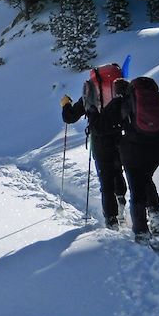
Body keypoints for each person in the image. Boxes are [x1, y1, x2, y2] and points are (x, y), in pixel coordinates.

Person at [61, 64, 129, 229]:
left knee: (106, 181)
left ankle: (111, 220)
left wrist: (65, 104)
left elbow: (69, 118)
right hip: (120, 137)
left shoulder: (89, 93)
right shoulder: (119, 91)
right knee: (118, 171)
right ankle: (121, 205)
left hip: (99, 141)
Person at [110, 77, 159, 244]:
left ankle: (141, 232)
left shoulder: (123, 102)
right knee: (147, 181)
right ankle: (156, 219)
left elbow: (108, 124)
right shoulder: (157, 99)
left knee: (137, 189)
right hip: (155, 151)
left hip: (132, 151)